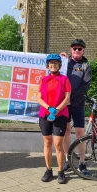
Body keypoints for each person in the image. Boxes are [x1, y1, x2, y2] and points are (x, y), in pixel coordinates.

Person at [38, 54, 71, 184]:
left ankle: (60, 171)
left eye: (55, 63)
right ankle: (48, 170)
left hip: (61, 115)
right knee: (47, 143)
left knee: (58, 145)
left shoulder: (64, 79)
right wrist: (49, 108)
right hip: (45, 115)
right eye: (51, 63)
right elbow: (39, 98)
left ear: (59, 65)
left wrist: (56, 109)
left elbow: (67, 98)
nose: (53, 65)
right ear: (48, 65)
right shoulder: (44, 80)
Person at [60, 39, 92, 175]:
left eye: (80, 49)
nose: (77, 51)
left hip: (77, 104)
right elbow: (54, 72)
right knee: (66, 131)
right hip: (65, 105)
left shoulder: (86, 66)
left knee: (81, 134)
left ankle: (82, 162)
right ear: (71, 49)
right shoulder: (65, 62)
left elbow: (85, 86)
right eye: (74, 48)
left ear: (83, 50)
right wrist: (59, 59)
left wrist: (70, 98)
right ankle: (68, 159)